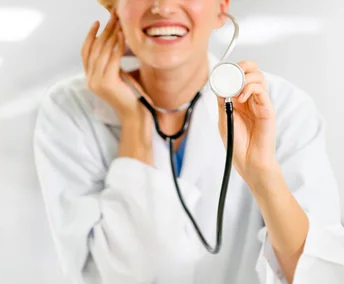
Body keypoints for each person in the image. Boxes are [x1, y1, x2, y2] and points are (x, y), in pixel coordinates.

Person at [32, 0, 344, 283]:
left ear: (221, 8)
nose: (163, 6)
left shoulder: (283, 107)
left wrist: (263, 175)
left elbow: (318, 276)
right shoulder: (70, 110)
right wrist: (135, 121)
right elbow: (111, 276)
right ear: (115, 10)